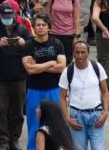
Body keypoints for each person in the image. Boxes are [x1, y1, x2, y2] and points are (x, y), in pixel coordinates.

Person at [0, 2, 31, 150]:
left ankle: (14, 139)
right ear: (0, 16)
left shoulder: (23, 30)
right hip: (0, 79)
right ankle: (3, 140)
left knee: (17, 111)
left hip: (19, 77)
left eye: (10, 16)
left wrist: (25, 43)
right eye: (5, 16)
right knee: (0, 110)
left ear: (15, 16)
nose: (8, 19)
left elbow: (33, 46)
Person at [21, 14, 66, 150]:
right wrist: (51, 63)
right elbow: (30, 70)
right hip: (34, 91)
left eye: (43, 25)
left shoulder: (57, 44)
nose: (40, 27)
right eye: (38, 25)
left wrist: (39, 65)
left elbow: (62, 66)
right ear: (34, 28)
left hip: (54, 90)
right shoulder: (28, 46)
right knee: (34, 125)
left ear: (48, 27)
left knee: (56, 125)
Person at [59, 40, 109, 150]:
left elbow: (105, 92)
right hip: (76, 117)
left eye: (83, 52)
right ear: (73, 54)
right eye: (77, 52)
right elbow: (62, 97)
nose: (80, 55)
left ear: (88, 53)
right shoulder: (67, 71)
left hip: (96, 115)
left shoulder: (97, 67)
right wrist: (67, 118)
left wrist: (105, 113)